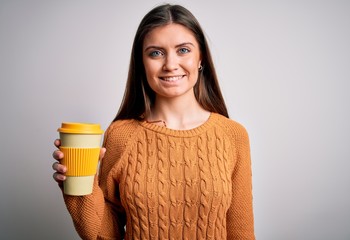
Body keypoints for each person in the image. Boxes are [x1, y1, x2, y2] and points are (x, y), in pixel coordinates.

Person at [52, 3, 255, 240]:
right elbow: (104, 235)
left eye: (183, 50)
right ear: (142, 63)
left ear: (201, 58)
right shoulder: (120, 135)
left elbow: (242, 234)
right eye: (155, 53)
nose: (170, 64)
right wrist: (79, 186)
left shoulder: (233, 135)